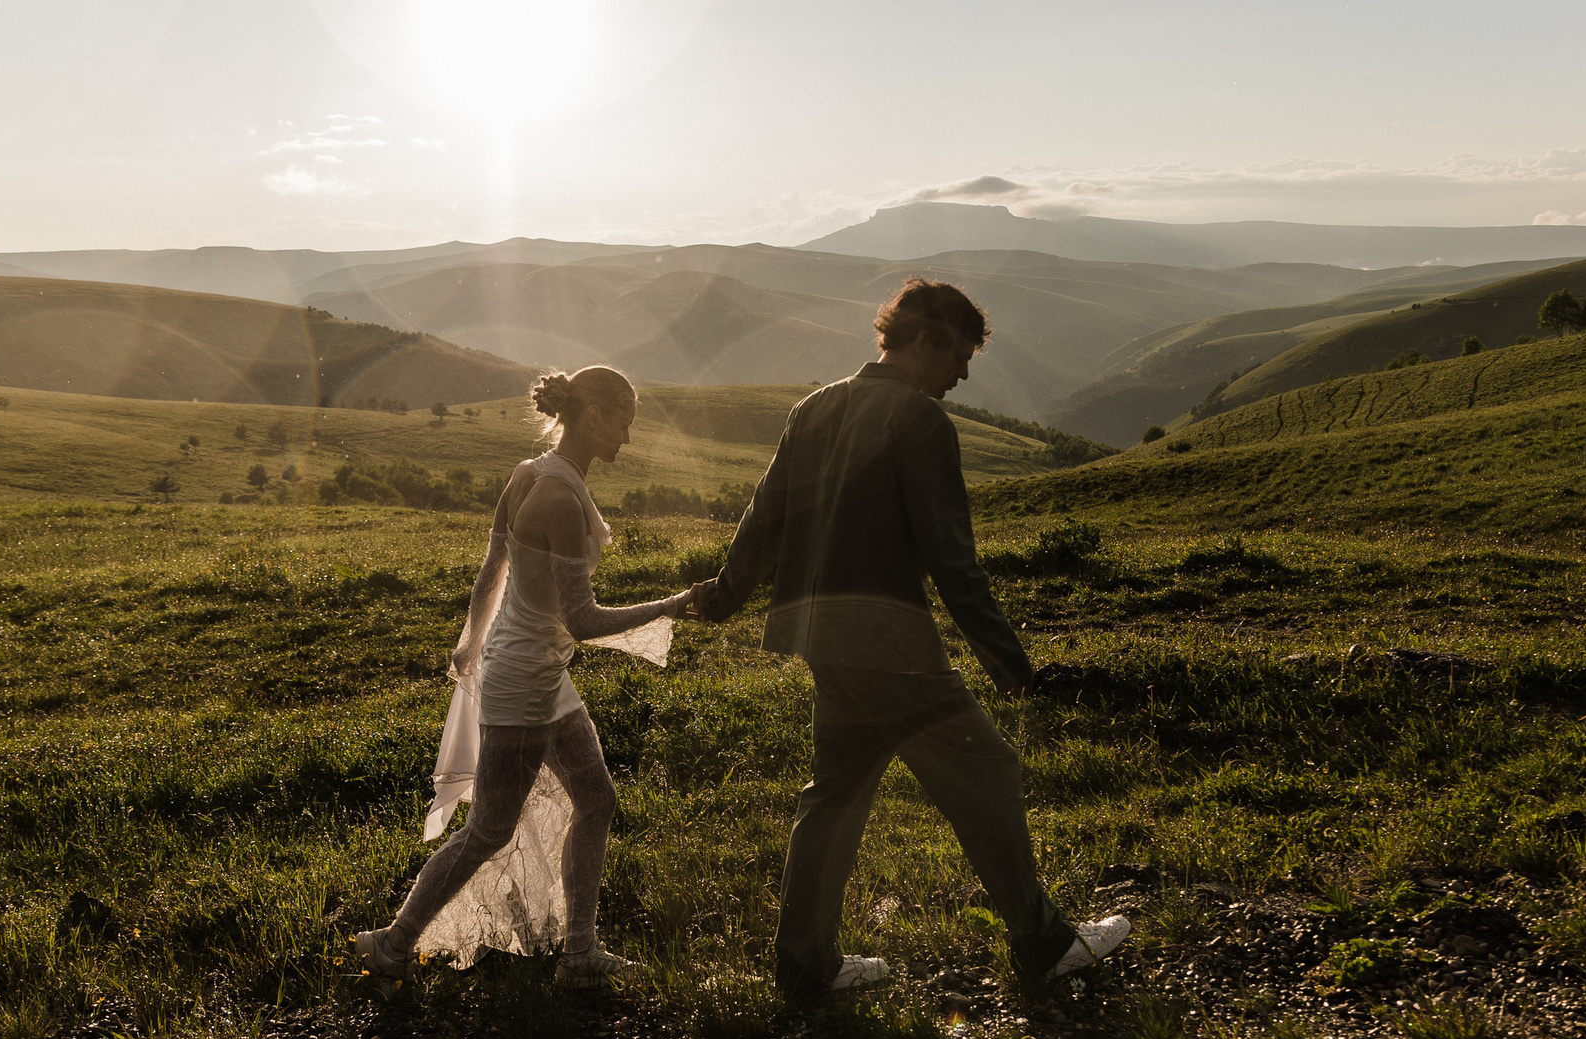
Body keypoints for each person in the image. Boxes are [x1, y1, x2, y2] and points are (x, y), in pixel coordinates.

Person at [694, 278, 1130, 994]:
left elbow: (764, 516)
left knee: (833, 795)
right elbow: (951, 559)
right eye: (958, 354)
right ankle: (1046, 946)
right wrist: (1008, 660)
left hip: (819, 636)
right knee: (988, 771)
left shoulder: (815, 407)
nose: (961, 374)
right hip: (889, 642)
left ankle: (805, 966)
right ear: (924, 338)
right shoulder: (922, 424)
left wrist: (724, 594)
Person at [353, 365, 701, 987]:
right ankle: (394, 942)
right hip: (524, 683)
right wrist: (672, 605)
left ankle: (579, 956)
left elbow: (493, 571)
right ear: (592, 416)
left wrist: (472, 645)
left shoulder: (528, 473)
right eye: (623, 423)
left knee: (596, 798)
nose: (626, 437)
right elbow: (584, 619)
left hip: (538, 674)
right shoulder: (560, 499)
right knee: (490, 829)